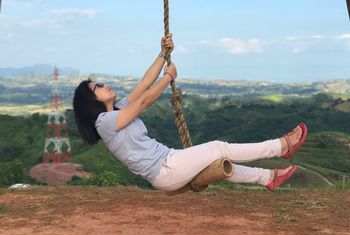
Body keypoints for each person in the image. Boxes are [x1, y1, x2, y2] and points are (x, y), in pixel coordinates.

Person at [73, 33, 308, 193]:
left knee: (218, 161)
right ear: (91, 101)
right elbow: (144, 102)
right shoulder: (103, 122)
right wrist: (168, 77)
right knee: (218, 147)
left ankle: (268, 178)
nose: (104, 85)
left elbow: (145, 83)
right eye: (98, 87)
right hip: (164, 171)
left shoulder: (119, 108)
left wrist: (162, 54)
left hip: (169, 161)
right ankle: (281, 147)